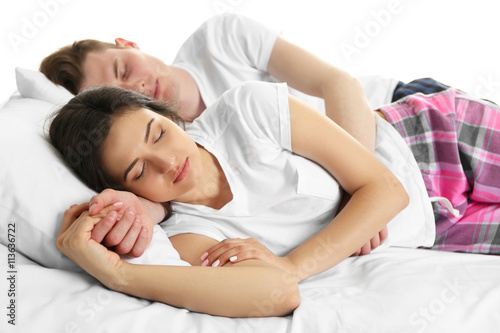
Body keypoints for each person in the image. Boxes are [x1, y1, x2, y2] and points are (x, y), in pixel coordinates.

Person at [50, 81, 416, 317]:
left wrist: (293, 266)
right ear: (127, 190)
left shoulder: (246, 111)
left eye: (158, 134)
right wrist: (119, 275)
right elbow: (278, 293)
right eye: (139, 171)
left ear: (170, 117)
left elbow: (387, 189)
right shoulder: (187, 235)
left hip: (425, 142)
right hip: (439, 227)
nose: (167, 162)